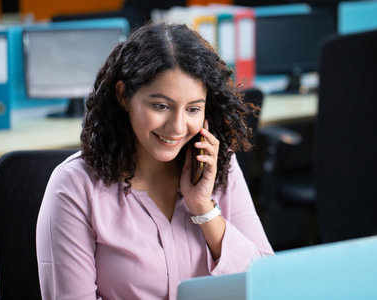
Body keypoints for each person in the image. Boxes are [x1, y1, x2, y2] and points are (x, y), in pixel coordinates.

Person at [36, 22, 274, 300]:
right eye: (161, 106)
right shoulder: (75, 187)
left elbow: (267, 284)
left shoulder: (219, 168)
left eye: (194, 109)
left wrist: (203, 208)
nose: (177, 126)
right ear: (124, 95)